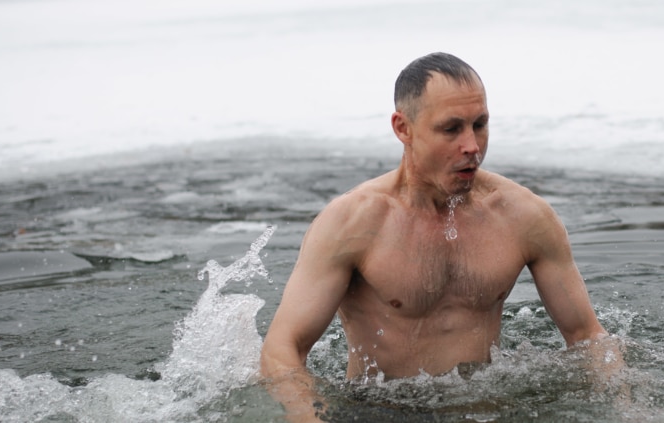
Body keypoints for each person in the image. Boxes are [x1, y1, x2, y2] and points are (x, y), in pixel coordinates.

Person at [259, 52, 622, 421]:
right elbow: (282, 350)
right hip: (379, 410)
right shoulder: (353, 224)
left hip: (489, 410)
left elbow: (587, 336)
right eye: (451, 129)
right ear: (403, 128)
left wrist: (625, 406)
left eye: (479, 124)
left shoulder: (523, 216)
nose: (472, 146)